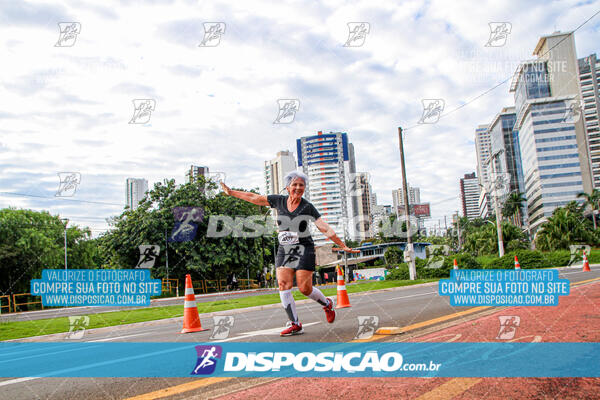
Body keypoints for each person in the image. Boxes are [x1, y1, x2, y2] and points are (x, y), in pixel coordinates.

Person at [221, 172, 358, 336]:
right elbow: (254, 197)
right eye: (295, 184)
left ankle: (327, 303)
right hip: (285, 248)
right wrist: (231, 192)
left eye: (301, 185)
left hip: (304, 248)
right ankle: (295, 323)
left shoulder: (307, 207)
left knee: (304, 288)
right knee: (283, 284)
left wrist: (342, 245)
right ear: (287, 187)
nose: (298, 188)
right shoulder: (278, 200)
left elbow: (324, 227)